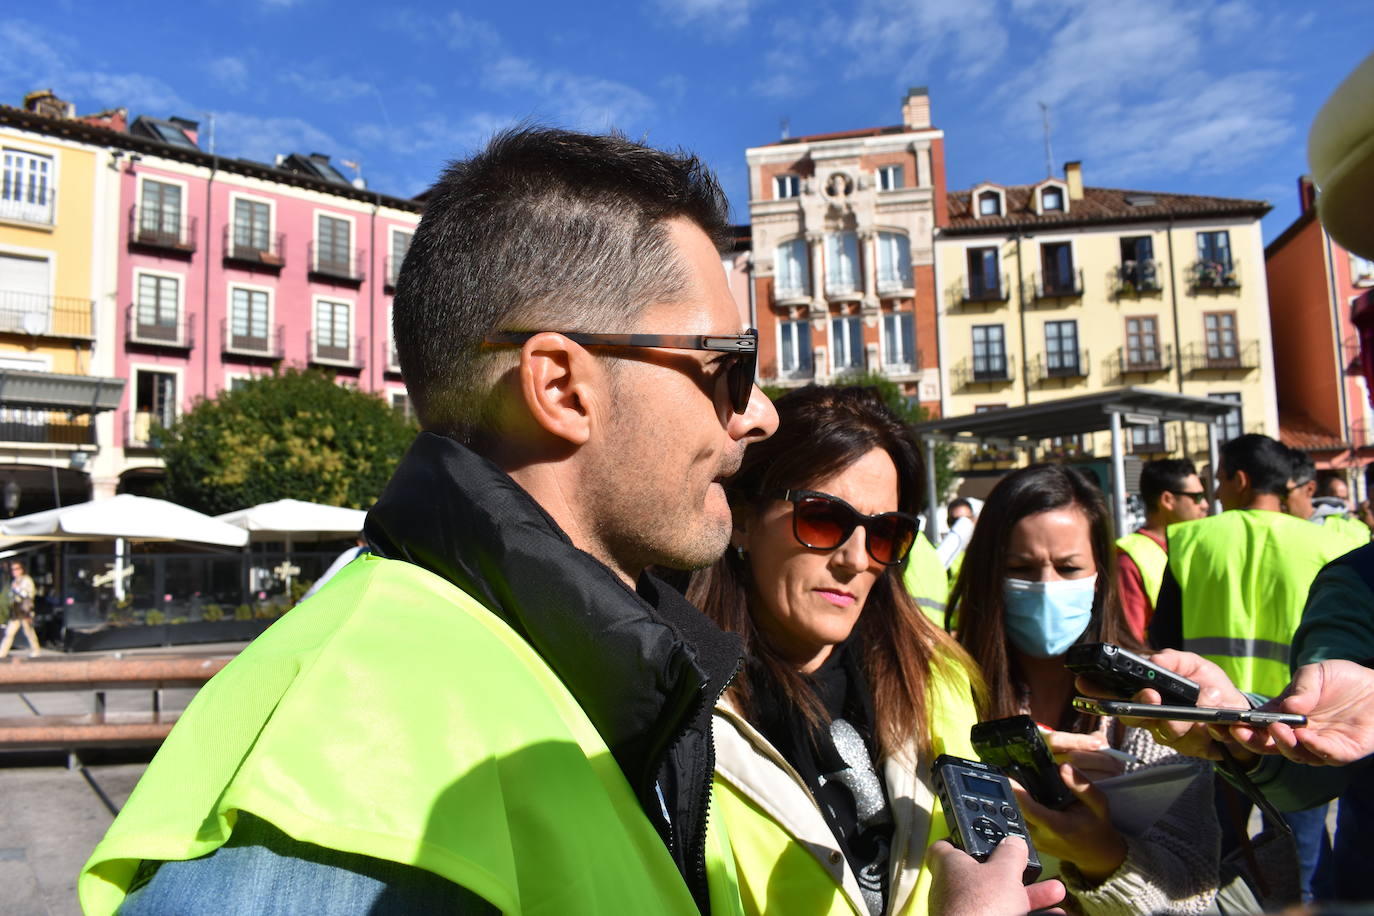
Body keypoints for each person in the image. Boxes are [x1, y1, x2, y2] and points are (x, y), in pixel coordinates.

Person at [81, 128, 781, 915]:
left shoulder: (586, 667)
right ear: (561, 388)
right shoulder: (353, 742)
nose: (760, 414)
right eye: (729, 366)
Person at [689, 386, 1061, 916]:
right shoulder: (679, 705)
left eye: (886, 533)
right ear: (744, 516)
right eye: (823, 519)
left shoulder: (941, 679)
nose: (858, 559)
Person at [950, 463, 1219, 915]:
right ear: (988, 572)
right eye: (1021, 568)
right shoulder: (945, 687)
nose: (1046, 587)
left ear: (1099, 575)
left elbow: (1192, 887)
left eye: (1069, 567)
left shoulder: (1152, 707)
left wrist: (1101, 853)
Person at [1115, 459, 1207, 642]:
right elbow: (1130, 642)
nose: (1204, 504)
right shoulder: (1129, 558)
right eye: (1196, 497)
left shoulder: (1195, 547)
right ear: (1167, 500)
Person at [0, 560, 40, 659]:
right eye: (13, 569)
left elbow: (27, 595)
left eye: (17, 569)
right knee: (9, 632)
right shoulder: (14, 581)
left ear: (22, 569)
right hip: (16, 611)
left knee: (29, 632)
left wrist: (17, 588)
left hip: (25, 611)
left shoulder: (26, 580)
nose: (14, 571)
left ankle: (36, 650)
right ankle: (2, 653)